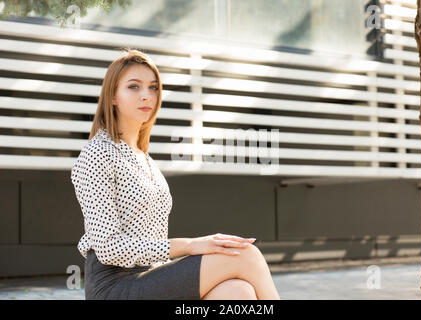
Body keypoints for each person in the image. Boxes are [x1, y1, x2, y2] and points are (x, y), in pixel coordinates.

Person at [71, 48, 280, 300]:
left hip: (152, 277)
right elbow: (108, 247)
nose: (146, 96)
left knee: (238, 292)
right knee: (245, 255)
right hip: (115, 287)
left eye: (153, 87)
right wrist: (190, 246)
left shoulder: (143, 157)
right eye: (134, 87)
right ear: (113, 96)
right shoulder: (97, 153)